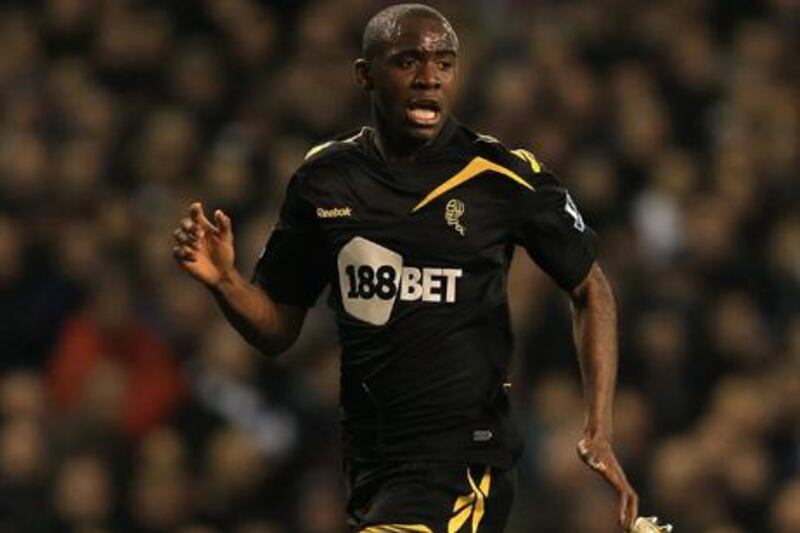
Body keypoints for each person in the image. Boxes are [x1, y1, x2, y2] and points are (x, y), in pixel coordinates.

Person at [173, 4, 640, 532]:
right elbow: (279, 326)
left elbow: (590, 286)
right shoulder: (323, 180)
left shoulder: (500, 177)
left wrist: (598, 427)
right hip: (371, 469)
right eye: (409, 61)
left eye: (444, 63)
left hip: (465, 464)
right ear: (364, 74)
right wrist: (227, 284)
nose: (429, 79)